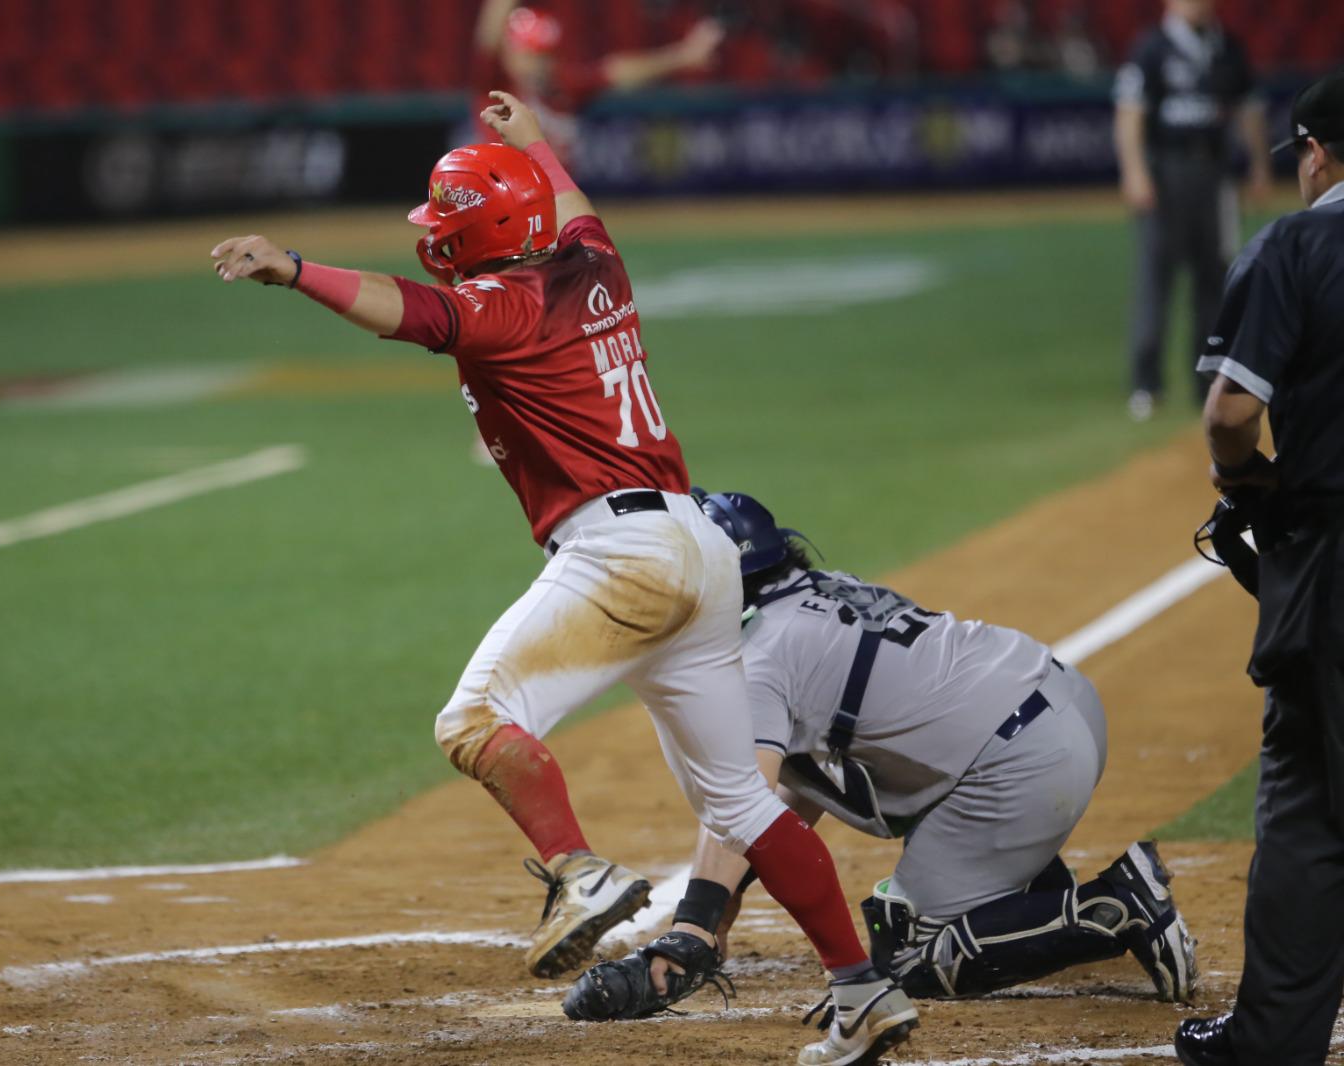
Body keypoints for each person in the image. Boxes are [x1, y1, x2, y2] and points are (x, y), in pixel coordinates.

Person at [210, 91, 918, 1066]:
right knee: (740, 804)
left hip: (620, 554)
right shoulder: (593, 263)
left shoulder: (501, 307)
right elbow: (576, 207)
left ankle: (579, 873)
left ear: (471, 234)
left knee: (472, 721)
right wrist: (536, 144)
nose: (431, 235)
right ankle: (863, 990)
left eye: (442, 222)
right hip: (698, 546)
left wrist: (292, 269)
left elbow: (403, 308)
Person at [576, 491, 1198, 1014]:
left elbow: (743, 802)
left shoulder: (757, 657)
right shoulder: (818, 592)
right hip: (1059, 703)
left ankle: (1115, 907)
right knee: (882, 814)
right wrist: (720, 908)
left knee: (908, 959)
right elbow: (799, 783)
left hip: (1019, 763)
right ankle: (1025, 883)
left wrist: (694, 922)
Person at [1174, 68, 1344, 1066]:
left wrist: (1245, 479)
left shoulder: (1296, 244)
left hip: (1331, 566)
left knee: (1310, 797)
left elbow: (1232, 413)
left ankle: (1274, 1042)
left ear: (1316, 153)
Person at [1113, 0, 1271, 422]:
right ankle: (1146, 384)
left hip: (1216, 176)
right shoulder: (1151, 47)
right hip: (1166, 175)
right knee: (1155, 279)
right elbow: (1130, 112)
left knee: (1215, 282)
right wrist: (1134, 171)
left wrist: (1259, 164)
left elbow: (1250, 109)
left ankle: (1208, 382)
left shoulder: (1228, 48)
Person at [470, 1, 723, 160]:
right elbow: (489, 33)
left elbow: (618, 71)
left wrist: (682, 56)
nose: (536, 64)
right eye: (527, 54)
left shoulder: (563, 85)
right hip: (504, 202)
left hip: (554, 206)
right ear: (508, 54)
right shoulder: (494, 84)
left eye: (544, 55)